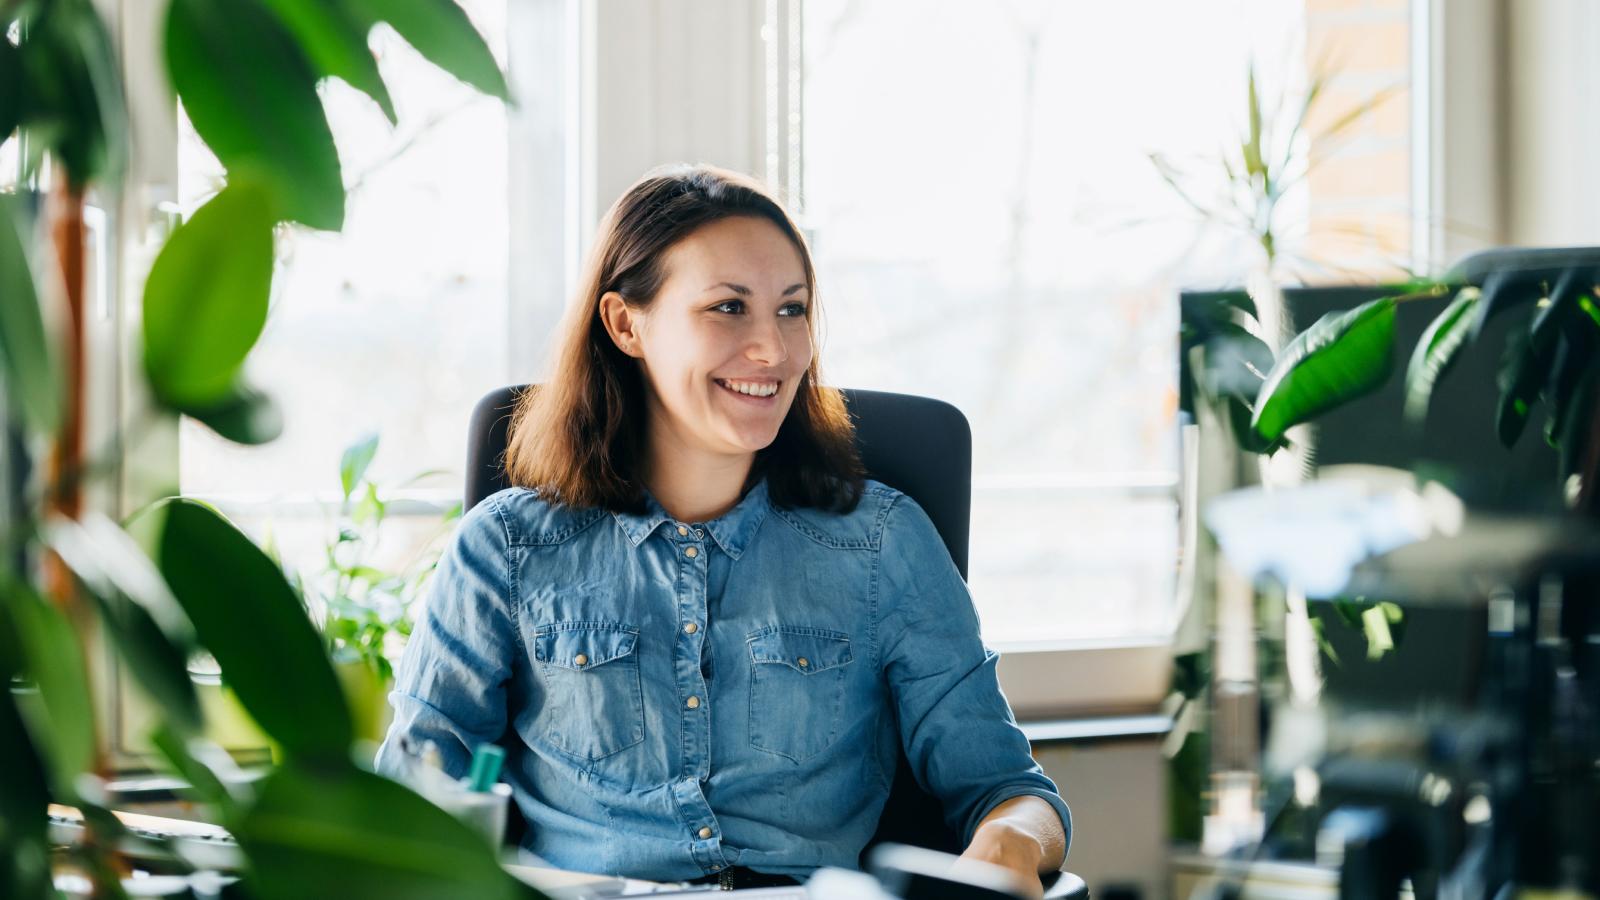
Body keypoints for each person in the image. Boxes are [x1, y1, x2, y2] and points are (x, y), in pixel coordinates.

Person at [375, 164, 1070, 894]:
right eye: (729, 308)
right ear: (625, 324)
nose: (774, 350)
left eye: (792, 310)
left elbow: (1010, 789)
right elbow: (409, 806)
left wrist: (1007, 849)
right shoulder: (506, 550)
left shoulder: (880, 543)